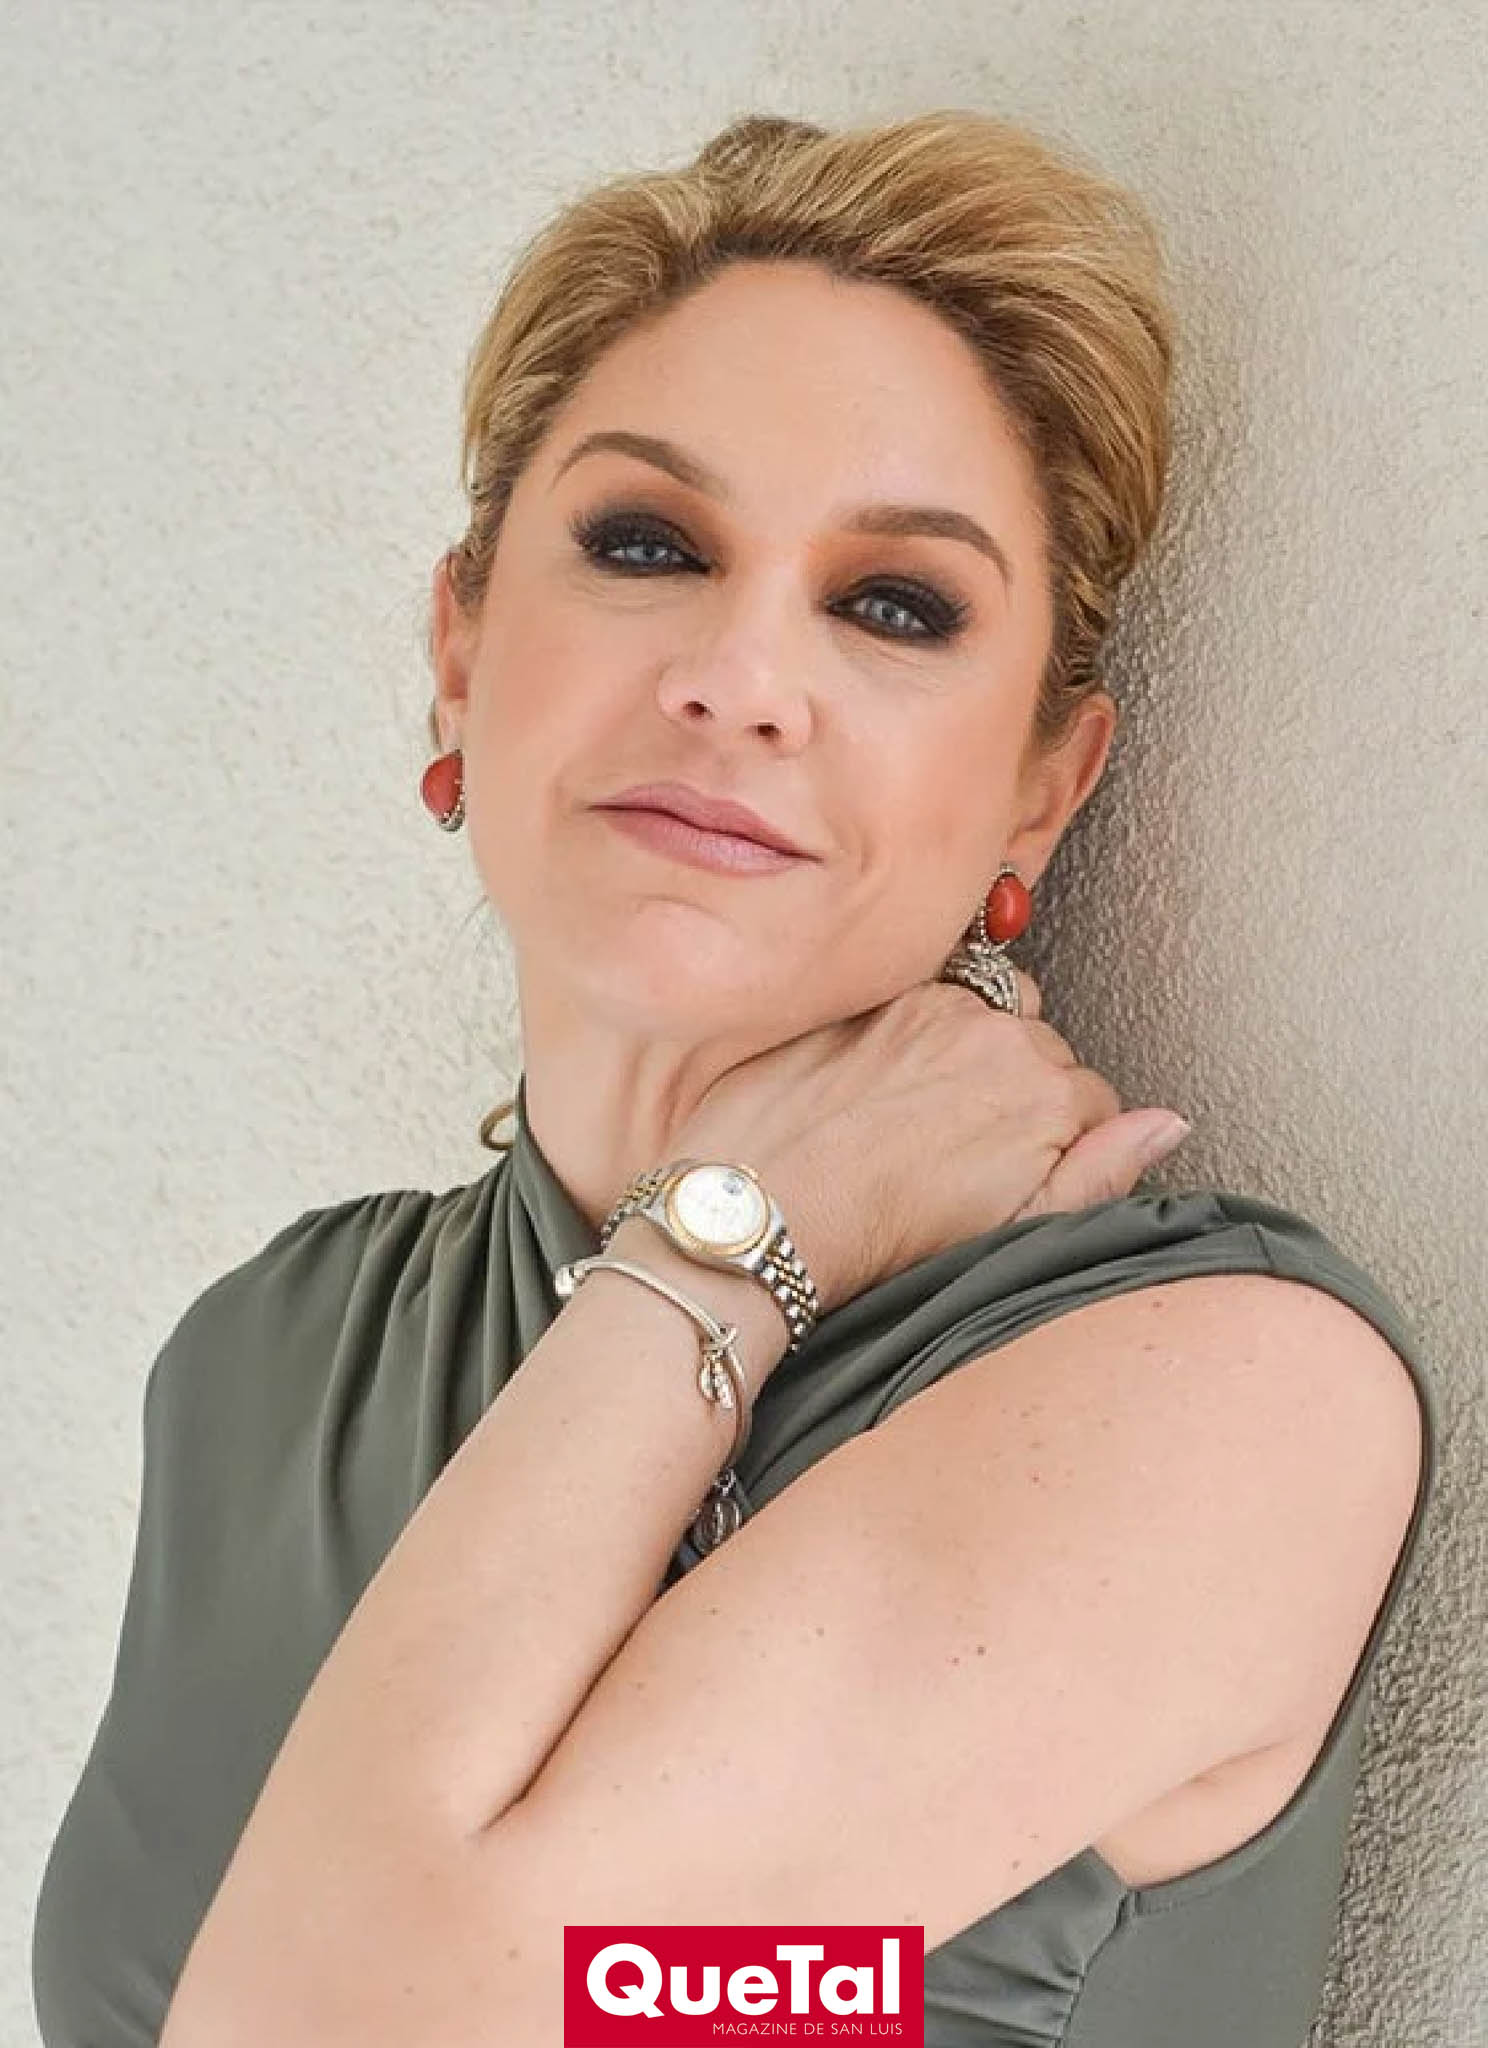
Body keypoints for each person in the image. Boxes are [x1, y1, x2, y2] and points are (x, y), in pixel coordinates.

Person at [32, 110, 1438, 2048]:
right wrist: (734, 1232)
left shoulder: (1218, 1397)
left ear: (1043, 788)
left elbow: (351, 2016)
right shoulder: (272, 1359)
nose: (741, 676)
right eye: (648, 545)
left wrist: (724, 1242)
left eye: (894, 604)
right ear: (461, 650)